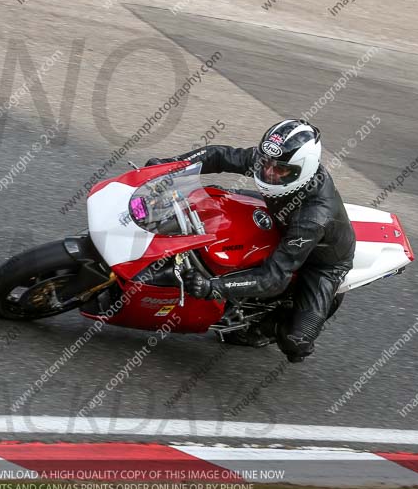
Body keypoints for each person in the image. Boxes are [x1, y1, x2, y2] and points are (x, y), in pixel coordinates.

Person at [145, 119, 356, 362]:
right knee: (210, 200)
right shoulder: (274, 163)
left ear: (303, 169)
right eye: (266, 164)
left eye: (280, 171)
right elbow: (219, 155)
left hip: (320, 262)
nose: (268, 172)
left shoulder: (313, 217)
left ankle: (260, 330)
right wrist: (170, 166)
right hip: (279, 214)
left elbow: (274, 278)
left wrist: (213, 287)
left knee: (297, 342)